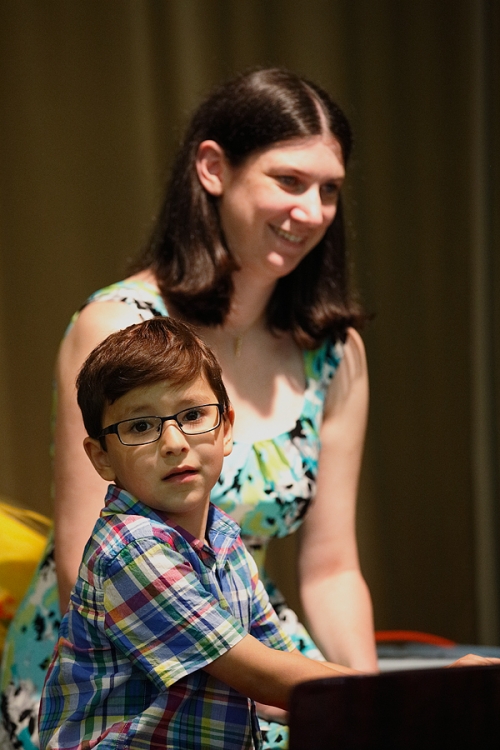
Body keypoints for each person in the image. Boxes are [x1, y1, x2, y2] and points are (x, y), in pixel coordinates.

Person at [2, 67, 375, 749]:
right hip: (132, 666)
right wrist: (342, 695)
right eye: (289, 180)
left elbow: (332, 567)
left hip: (250, 652)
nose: (314, 211)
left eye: (330, 191)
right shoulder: (116, 323)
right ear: (212, 168)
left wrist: (373, 703)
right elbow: (87, 553)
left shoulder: (333, 351)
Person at [39, 317, 358, 750]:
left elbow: (286, 669)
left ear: (226, 429)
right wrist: (410, 697)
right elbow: (262, 676)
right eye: (140, 426)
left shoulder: (223, 537)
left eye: (192, 415)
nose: (173, 442)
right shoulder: (131, 549)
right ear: (101, 458)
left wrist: (397, 699)